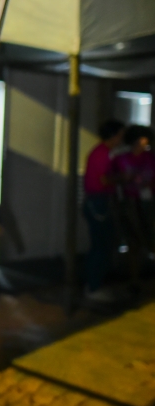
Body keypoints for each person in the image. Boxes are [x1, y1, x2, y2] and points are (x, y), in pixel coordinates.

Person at [82, 119, 125, 302]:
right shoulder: (102, 153)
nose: (121, 138)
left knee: (101, 245)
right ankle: (93, 287)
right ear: (113, 135)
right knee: (101, 246)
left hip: (98, 201)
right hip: (98, 202)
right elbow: (104, 180)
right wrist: (122, 178)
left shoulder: (103, 152)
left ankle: (94, 285)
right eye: (120, 134)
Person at [111, 124, 155, 295]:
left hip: (148, 202)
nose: (145, 142)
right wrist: (123, 178)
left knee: (149, 237)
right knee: (133, 242)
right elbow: (111, 178)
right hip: (129, 202)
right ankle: (134, 279)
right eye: (143, 139)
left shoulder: (150, 158)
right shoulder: (121, 159)